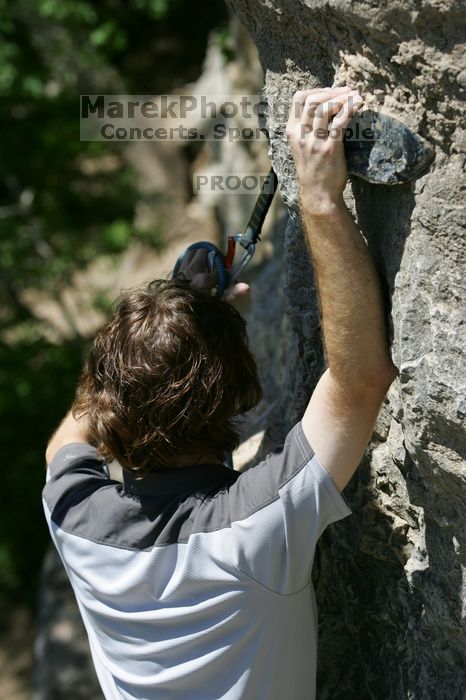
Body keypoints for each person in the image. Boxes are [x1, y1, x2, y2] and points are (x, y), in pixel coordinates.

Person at [43, 85, 397, 700]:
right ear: (237, 396)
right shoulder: (250, 532)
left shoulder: (75, 518)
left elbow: (71, 433)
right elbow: (360, 379)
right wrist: (318, 199)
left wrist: (161, 329)